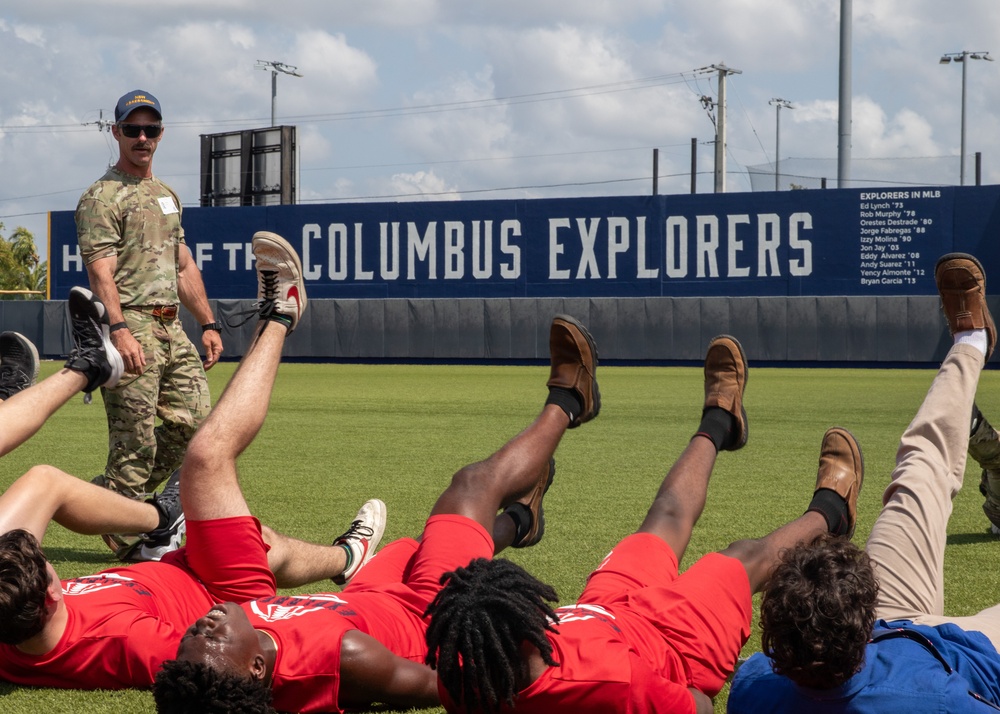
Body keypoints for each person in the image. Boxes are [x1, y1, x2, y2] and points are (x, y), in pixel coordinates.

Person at [151, 244, 602, 713]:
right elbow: (445, 688)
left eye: (190, 639)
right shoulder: (342, 659)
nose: (200, 628)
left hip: (371, 596)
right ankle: (570, 401)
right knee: (470, 488)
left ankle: (519, 521)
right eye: (210, 639)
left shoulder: (242, 647)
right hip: (429, 610)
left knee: (417, 544)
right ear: (257, 670)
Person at [0, 246, 385, 691]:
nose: (49, 563)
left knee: (45, 480)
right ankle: (281, 315)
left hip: (166, 565)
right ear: (51, 593)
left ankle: (170, 524)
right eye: (47, 565)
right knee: (206, 459)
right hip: (226, 595)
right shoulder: (124, 642)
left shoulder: (16, 619)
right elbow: (228, 665)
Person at [423, 332, 867, 714]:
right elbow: (696, 705)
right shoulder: (610, 682)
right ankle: (831, 512)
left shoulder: (463, 672)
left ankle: (721, 419)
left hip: (609, 610)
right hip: (674, 645)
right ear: (522, 632)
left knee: (663, 518)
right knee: (740, 557)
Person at [728, 252, 1000, 713]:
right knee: (919, 467)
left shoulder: (759, 687)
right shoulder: (948, 702)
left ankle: (971, 340)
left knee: (917, 475)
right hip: (952, 651)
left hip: (882, 640)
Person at [75, 89, 223, 552]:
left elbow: (182, 264)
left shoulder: (166, 195)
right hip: (131, 324)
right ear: (116, 132)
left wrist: (209, 322)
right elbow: (100, 270)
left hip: (172, 326)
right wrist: (118, 330)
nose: (143, 137)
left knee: (197, 425)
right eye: (133, 129)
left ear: (161, 134)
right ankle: (123, 531)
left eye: (151, 129)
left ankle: (109, 497)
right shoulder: (101, 197)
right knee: (134, 438)